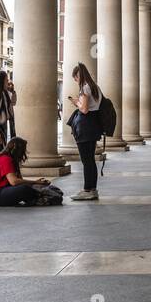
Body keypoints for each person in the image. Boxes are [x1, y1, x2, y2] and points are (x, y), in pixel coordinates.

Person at [0, 137, 63, 207]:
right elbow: (14, 182)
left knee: (27, 188)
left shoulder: (10, 160)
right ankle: (39, 196)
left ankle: (39, 195)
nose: (24, 154)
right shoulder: (5, 159)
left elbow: (19, 180)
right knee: (24, 189)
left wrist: (36, 183)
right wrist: (35, 182)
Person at [66, 62, 103, 200]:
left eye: (75, 79)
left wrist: (76, 102)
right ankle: (92, 189)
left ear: (78, 76)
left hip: (85, 125)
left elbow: (84, 109)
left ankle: (87, 189)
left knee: (86, 160)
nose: (76, 81)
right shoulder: (95, 88)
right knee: (90, 159)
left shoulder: (85, 88)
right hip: (93, 125)